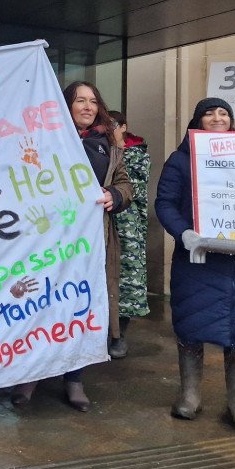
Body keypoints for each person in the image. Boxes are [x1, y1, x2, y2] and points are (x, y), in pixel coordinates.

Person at [154, 97, 235, 434]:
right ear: (197, 121)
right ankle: (190, 394)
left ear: (231, 121)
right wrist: (184, 233)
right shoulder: (180, 160)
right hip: (197, 259)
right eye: (209, 113)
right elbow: (165, 203)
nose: (217, 117)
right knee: (191, 327)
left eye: (223, 113)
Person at [12, 81, 132, 411]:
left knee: (80, 305)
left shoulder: (108, 145)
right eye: (80, 100)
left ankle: (74, 379)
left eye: (93, 101)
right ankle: (30, 377)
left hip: (91, 244)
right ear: (66, 105)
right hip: (47, 241)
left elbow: (124, 183)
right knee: (44, 305)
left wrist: (116, 195)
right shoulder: (43, 139)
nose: (87, 106)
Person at [108, 110, 150, 358]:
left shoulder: (137, 155)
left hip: (127, 226)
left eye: (112, 124)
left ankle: (119, 335)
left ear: (123, 126)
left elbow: (130, 189)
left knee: (126, 282)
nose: (108, 128)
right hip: (102, 222)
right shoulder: (96, 149)